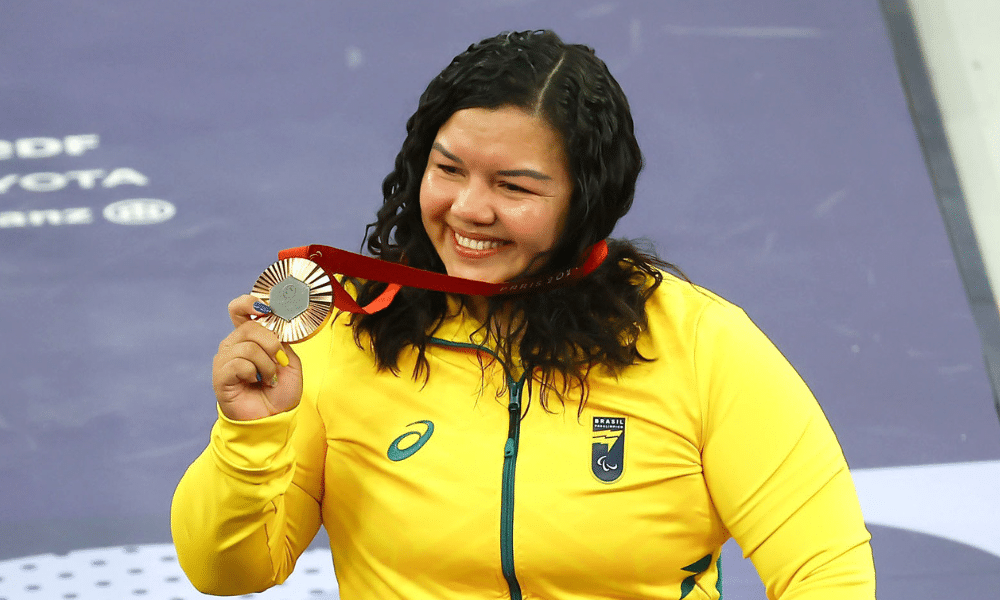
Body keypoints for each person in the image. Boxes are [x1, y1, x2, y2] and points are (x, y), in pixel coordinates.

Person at [171, 29, 876, 599]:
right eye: (448, 170)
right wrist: (250, 437)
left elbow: (827, 574)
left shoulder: (699, 345)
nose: (470, 209)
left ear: (586, 200)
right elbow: (227, 572)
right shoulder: (349, 335)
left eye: (515, 186)